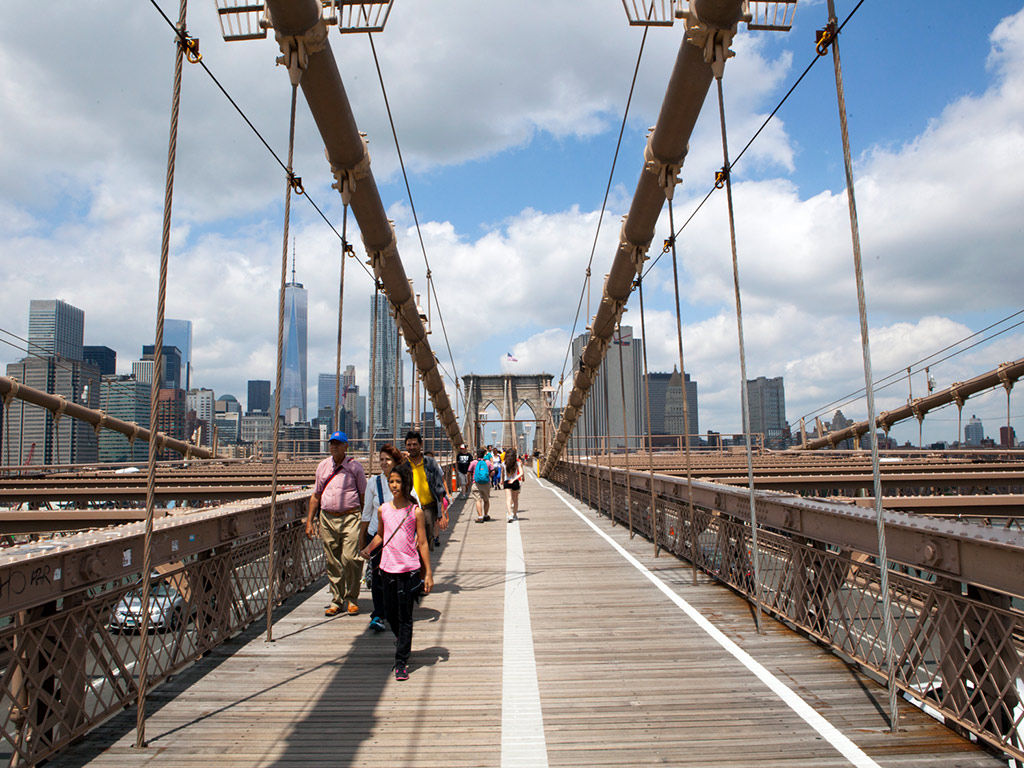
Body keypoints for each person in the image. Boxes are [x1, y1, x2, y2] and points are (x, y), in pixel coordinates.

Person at [360, 461, 433, 681]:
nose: (394, 485)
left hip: (409, 569)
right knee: (391, 613)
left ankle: (401, 661)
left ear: (406, 484)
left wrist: (428, 573)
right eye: (391, 481)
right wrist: (368, 548)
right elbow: (381, 535)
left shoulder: (415, 512)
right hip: (387, 569)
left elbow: (422, 543)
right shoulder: (383, 510)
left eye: (398, 481)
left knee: (405, 616)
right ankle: (402, 640)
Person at [306, 431, 366, 617]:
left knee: (350, 558)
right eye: (332, 443)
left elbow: (363, 495)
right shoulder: (323, 466)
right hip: (328, 517)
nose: (334, 446)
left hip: (351, 517)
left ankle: (352, 597)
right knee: (332, 560)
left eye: (338, 443)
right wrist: (310, 521)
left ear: (346, 446)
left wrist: (365, 522)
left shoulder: (355, 467)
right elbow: (316, 495)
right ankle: (337, 600)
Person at [360, 443, 404, 632]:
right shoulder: (373, 482)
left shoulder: (404, 481)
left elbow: (413, 506)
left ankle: (394, 610)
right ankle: (378, 614)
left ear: (396, 461)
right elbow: (366, 512)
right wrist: (362, 540)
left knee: (395, 577)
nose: (384, 463)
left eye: (388, 459)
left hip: (397, 538)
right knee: (378, 577)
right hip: (376, 536)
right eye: (381, 459)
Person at [404, 431, 449, 549]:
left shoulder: (430, 463)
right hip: (408, 511)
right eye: (409, 445)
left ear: (421, 445)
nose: (412, 447)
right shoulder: (403, 465)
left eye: (415, 444)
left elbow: (439, 489)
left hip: (427, 510)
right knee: (408, 545)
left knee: (426, 545)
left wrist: (441, 514)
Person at [470, 447, 492, 522]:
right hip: (486, 483)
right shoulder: (488, 462)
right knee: (486, 500)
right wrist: (488, 476)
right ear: (484, 454)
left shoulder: (473, 462)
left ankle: (480, 517)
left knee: (478, 500)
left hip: (476, 483)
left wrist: (469, 481)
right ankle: (486, 515)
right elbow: (492, 471)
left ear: (476, 455)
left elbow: (469, 472)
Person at [503, 448, 524, 522]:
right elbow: (521, 473)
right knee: (515, 500)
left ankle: (509, 515)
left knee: (508, 499)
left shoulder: (504, 463)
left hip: (507, 482)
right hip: (515, 482)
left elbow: (502, 473)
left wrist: (501, 481)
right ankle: (514, 515)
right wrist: (514, 479)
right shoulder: (517, 463)